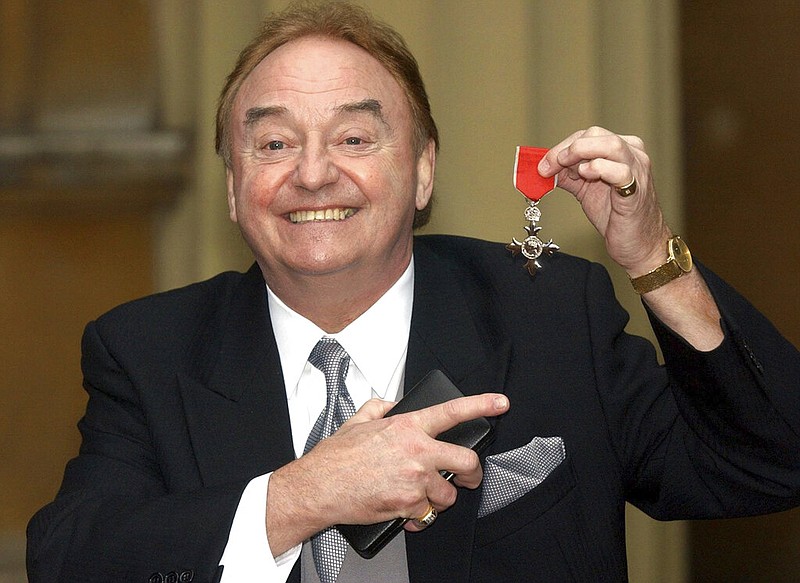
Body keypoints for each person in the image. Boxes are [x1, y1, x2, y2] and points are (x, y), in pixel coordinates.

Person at [27, 2, 800, 582]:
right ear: (234, 188)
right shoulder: (147, 348)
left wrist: (653, 257)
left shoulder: (551, 312)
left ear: (425, 169)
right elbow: (70, 556)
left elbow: (771, 460)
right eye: (272, 143)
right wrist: (301, 495)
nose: (313, 171)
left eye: (355, 137)